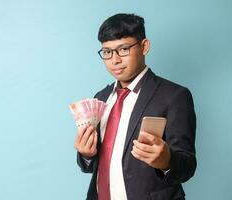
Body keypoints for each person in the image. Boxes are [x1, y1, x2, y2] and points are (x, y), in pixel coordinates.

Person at [74, 13, 196, 200]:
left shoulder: (174, 96)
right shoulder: (101, 98)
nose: (114, 60)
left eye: (123, 49)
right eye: (107, 52)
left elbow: (187, 166)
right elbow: (97, 165)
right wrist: (86, 155)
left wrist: (166, 161)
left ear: (144, 46)